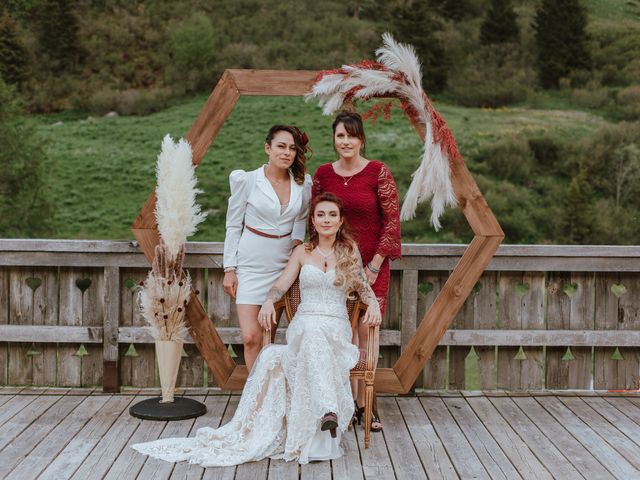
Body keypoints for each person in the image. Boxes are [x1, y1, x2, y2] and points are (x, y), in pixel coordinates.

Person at [131, 192, 382, 466]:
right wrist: (268, 302)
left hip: (335, 326)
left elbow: (362, 286)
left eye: (332, 215)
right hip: (305, 321)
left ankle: (326, 413)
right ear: (313, 219)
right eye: (321, 214)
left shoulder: (349, 251)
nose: (326, 220)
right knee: (309, 331)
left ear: (340, 220)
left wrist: (373, 305)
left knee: (313, 337)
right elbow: (282, 284)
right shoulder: (302, 252)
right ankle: (327, 410)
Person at [312, 111, 401, 432]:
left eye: (351, 135)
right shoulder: (323, 174)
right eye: (340, 136)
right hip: (337, 268)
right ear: (334, 140)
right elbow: (316, 218)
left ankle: (367, 406)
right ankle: (345, 406)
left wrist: (375, 264)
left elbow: (391, 222)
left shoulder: (378, 172)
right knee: (342, 336)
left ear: (361, 139)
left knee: (366, 335)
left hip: (372, 267)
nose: (346, 141)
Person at [222, 125, 312, 372]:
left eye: (292, 148)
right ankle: (254, 396)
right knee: (250, 337)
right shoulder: (247, 180)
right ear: (268, 148)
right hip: (251, 264)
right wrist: (230, 268)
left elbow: (301, 218)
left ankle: (266, 398)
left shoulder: (303, 185)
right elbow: (232, 224)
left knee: (266, 336)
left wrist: (296, 243)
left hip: (284, 266)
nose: (287, 153)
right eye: (281, 146)